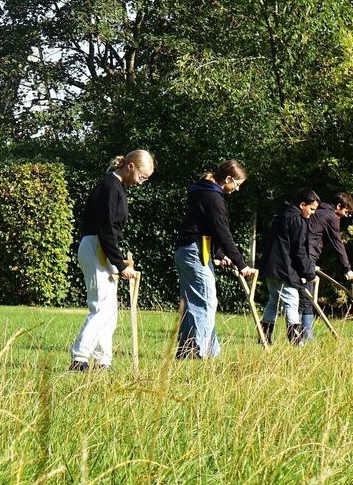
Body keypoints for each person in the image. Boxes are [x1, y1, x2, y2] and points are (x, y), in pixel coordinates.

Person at [69, 150, 155, 372]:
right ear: (130, 167)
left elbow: (112, 229)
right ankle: (79, 358)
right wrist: (119, 264)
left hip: (104, 247)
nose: (141, 182)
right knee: (100, 307)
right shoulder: (110, 185)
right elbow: (106, 227)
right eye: (142, 177)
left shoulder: (118, 187)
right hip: (96, 246)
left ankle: (103, 361)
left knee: (110, 310)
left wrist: (120, 260)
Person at [174, 160, 257, 359]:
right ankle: (198, 353)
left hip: (189, 250)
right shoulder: (213, 197)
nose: (236, 189)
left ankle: (190, 352)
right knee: (206, 302)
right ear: (228, 179)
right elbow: (222, 233)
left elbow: (205, 228)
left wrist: (220, 255)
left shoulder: (205, 193)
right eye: (236, 184)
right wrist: (242, 264)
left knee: (194, 302)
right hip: (194, 252)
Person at [258, 189, 320, 345]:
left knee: (273, 302)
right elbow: (298, 250)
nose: (312, 213)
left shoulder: (281, 214)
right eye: (311, 209)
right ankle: (296, 342)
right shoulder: (296, 220)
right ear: (302, 204)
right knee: (292, 302)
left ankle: (264, 338)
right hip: (282, 269)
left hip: (269, 266)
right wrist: (309, 272)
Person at [300, 191, 353, 342]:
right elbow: (337, 244)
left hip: (304, 255)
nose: (345, 215)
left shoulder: (319, 211)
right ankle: (306, 335)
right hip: (308, 256)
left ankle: (302, 333)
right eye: (345, 211)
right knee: (308, 295)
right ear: (338, 206)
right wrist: (348, 269)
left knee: (304, 294)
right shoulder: (332, 217)